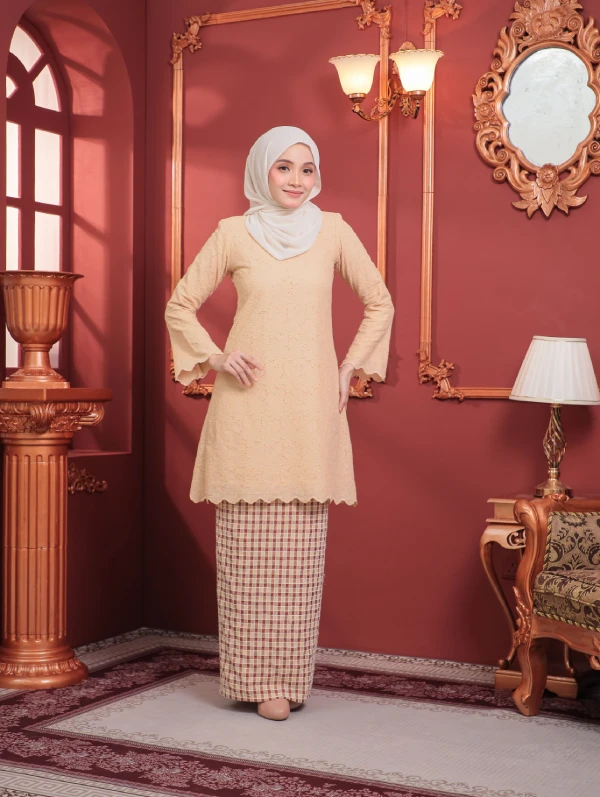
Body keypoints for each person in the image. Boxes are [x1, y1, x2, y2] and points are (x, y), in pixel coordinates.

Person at [165, 126, 394, 722]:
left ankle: (287, 681)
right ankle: (249, 679)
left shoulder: (333, 231)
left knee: (298, 561)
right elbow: (179, 304)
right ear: (260, 171)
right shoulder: (232, 233)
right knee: (245, 556)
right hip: (246, 408)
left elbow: (380, 301)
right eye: (284, 167)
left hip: (309, 412)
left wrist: (349, 366)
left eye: (307, 168)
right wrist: (215, 356)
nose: (297, 179)